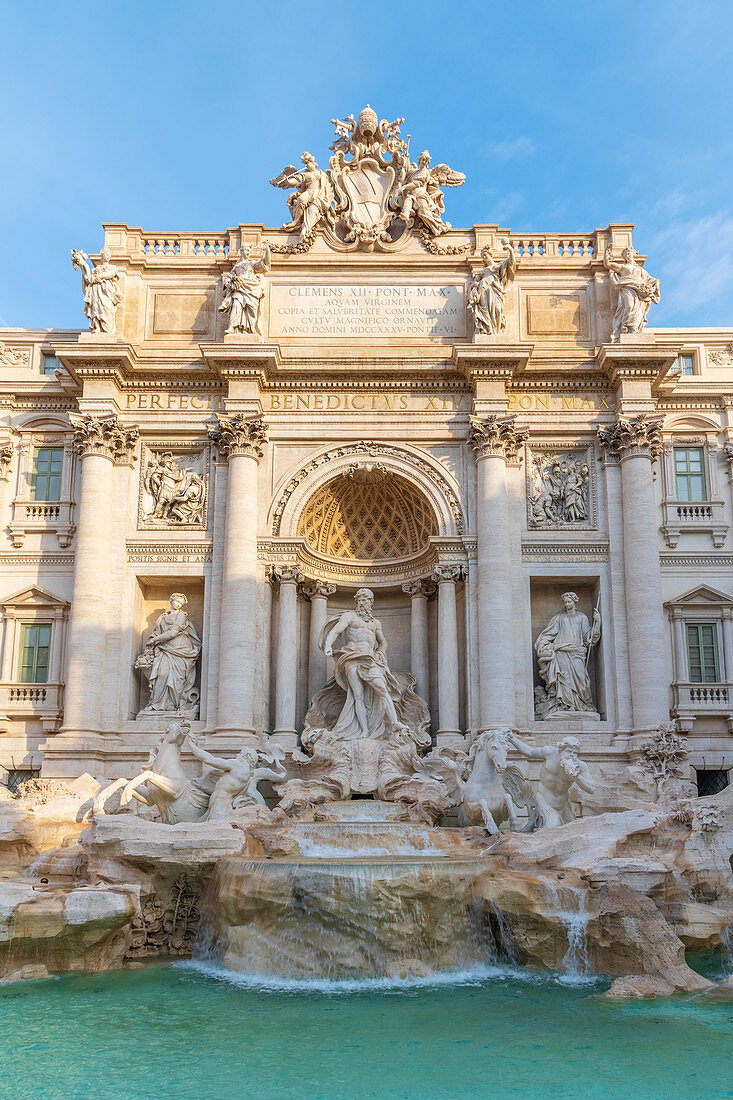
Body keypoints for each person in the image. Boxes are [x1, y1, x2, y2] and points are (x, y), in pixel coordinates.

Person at [321, 588, 407, 740]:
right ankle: (364, 730)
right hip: (352, 657)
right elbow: (335, 632)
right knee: (357, 695)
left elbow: (383, 642)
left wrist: (380, 653)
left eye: (365, 600)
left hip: (369, 659)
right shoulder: (349, 617)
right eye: (359, 599)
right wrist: (328, 645)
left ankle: (394, 723)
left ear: (371, 602)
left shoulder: (375, 623)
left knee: (382, 688)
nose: (362, 602)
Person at [506, 732, 595, 827]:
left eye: (575, 753)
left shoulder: (580, 766)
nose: (572, 755)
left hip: (563, 804)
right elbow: (530, 752)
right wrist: (512, 738)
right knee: (552, 826)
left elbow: (591, 789)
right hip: (545, 800)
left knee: (572, 830)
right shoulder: (549, 753)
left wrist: (576, 776)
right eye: (569, 751)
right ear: (561, 750)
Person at [185, 737, 286, 820]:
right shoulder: (246, 775)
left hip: (219, 807)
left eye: (240, 753)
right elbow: (223, 789)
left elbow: (209, 759)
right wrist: (203, 787)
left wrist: (191, 745)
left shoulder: (238, 765)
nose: (237, 755)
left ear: (246, 756)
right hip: (220, 806)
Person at [534, 592, 600, 714]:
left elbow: (588, 638)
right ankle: (565, 705)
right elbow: (549, 633)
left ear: (575, 602)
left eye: (569, 602)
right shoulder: (559, 618)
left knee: (581, 678)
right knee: (564, 679)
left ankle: (581, 704)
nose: (567, 604)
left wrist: (597, 623)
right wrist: (542, 643)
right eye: (565, 602)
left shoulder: (582, 617)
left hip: (577, 653)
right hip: (562, 653)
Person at [139, 593, 201, 715]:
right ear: (171, 601)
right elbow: (157, 632)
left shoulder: (181, 616)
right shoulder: (162, 618)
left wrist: (154, 640)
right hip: (164, 649)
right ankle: (156, 703)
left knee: (177, 678)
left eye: (180, 603)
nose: (178, 604)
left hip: (180, 649)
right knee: (161, 674)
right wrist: (153, 640)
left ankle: (172, 704)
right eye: (177, 601)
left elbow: (173, 633)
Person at [604, 246, 660, 339]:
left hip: (640, 290)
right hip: (628, 287)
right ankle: (626, 326)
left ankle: (634, 329)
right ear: (624, 257)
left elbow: (649, 279)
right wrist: (607, 253)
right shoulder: (623, 267)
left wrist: (656, 283)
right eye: (626, 255)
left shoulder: (640, 269)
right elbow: (608, 264)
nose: (628, 256)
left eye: (629, 254)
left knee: (638, 311)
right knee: (629, 306)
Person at [219, 242, 271, 336]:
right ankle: (233, 327)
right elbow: (228, 278)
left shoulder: (252, 263)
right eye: (246, 250)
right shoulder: (236, 266)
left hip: (251, 289)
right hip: (239, 289)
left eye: (249, 250)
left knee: (251, 309)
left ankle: (250, 328)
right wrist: (229, 283)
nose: (248, 252)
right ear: (241, 251)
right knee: (236, 305)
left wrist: (267, 250)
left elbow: (265, 262)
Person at [467, 239, 518, 334]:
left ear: (490, 255)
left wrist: (510, 250)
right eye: (482, 256)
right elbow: (474, 284)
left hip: (495, 291)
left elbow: (511, 264)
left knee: (498, 310)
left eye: (485, 254)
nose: (484, 257)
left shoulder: (499, 266)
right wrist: (478, 284)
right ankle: (489, 330)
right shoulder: (481, 272)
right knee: (486, 312)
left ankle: (496, 332)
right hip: (484, 292)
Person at [71, 246, 122, 334]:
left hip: (107, 291)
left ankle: (107, 328)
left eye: (108, 255)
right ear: (102, 256)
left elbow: (111, 274)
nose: (107, 256)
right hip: (96, 290)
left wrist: (100, 276)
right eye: (105, 254)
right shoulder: (96, 269)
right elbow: (89, 278)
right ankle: (97, 327)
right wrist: (83, 265)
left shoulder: (113, 267)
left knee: (107, 307)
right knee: (96, 308)